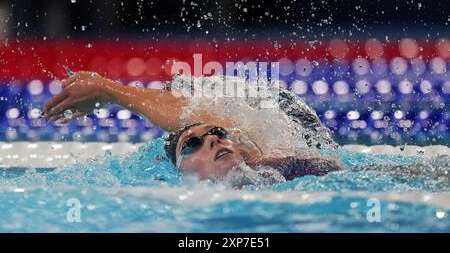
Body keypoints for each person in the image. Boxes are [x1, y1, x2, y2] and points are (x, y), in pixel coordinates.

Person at [44, 71, 343, 182]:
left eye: (217, 135)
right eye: (191, 145)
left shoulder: (288, 169)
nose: (211, 141)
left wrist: (105, 89)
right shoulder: (164, 202)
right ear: (177, 172)